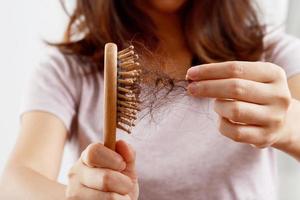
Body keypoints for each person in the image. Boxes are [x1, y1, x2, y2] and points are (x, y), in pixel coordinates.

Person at [1, 0, 300, 199]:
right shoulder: (67, 69)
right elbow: (16, 181)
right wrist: (73, 195)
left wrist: (287, 125)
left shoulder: (272, 54)